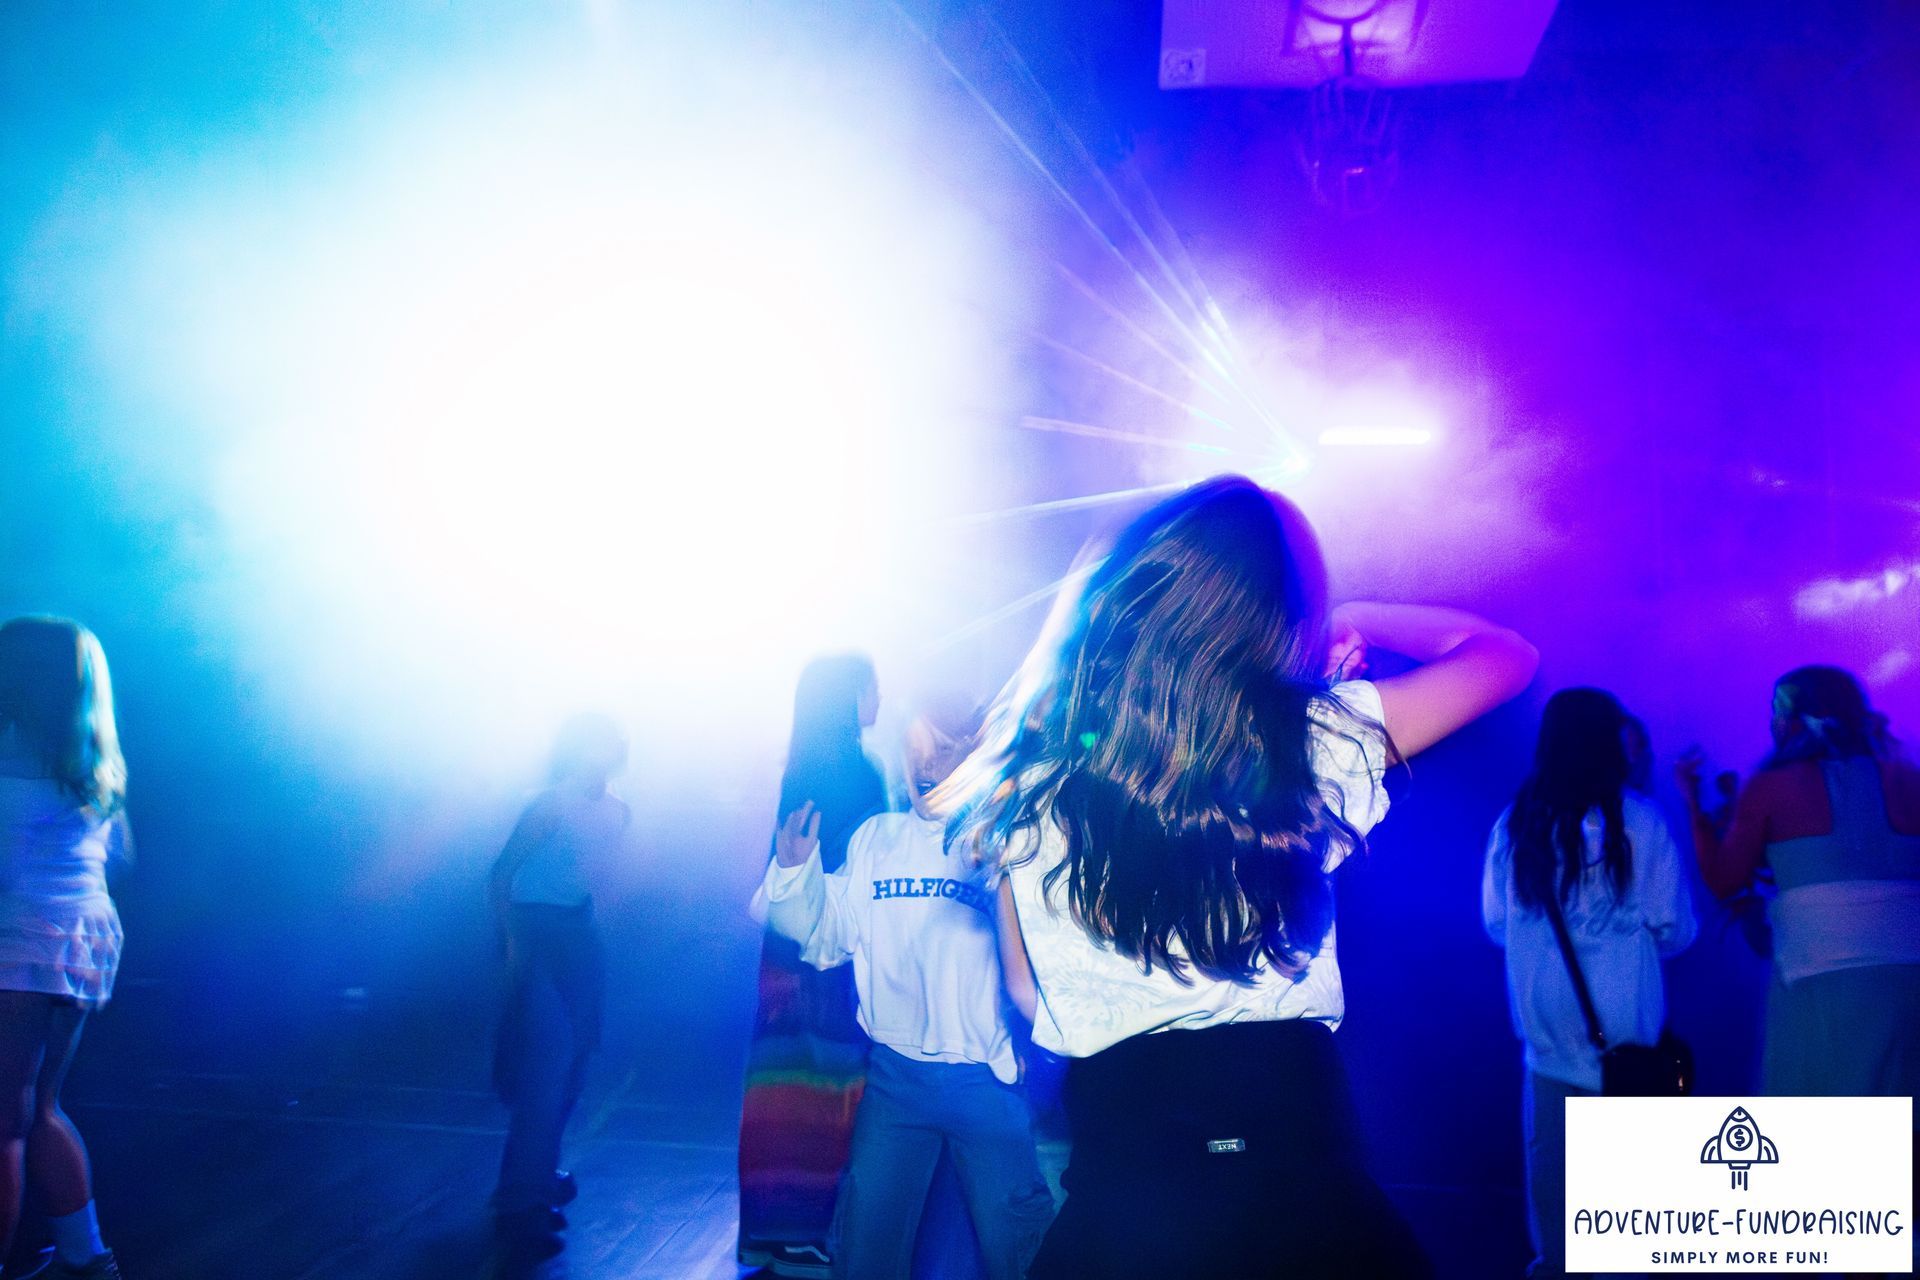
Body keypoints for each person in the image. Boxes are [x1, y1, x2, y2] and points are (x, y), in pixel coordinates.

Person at [945, 475, 1539, 1279]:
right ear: (1275, 615)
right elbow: (1505, 655)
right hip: (1307, 1193)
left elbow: (1028, 992)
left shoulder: (1033, 778)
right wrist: (1354, 617)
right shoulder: (1316, 741)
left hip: (1128, 1203)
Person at [760, 700, 1054, 1280]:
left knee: (1018, 1247)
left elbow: (1048, 955)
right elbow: (825, 938)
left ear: (977, 753)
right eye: (915, 749)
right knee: (867, 1241)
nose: (926, 764)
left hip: (987, 1081)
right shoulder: (877, 838)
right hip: (895, 1082)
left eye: (942, 748)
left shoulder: (1008, 839)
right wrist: (795, 872)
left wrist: (1032, 1042)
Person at [1483, 688, 1697, 1279]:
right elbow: (1677, 930)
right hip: (1629, 1055)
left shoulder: (1514, 825)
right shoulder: (1643, 823)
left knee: (1558, 1238)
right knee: (1631, 1234)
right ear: (1611, 744)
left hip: (1548, 1049)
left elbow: (1497, 925)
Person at [1678, 666, 1920, 1106]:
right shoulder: (1909, 781)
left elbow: (1724, 879)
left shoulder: (1772, 787)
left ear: (1790, 717)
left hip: (1820, 974)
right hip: (1909, 977)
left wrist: (1693, 806)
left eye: (1775, 710)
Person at [739, 655, 887, 1278]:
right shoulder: (859, 771)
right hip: (829, 948)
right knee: (826, 1090)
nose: (880, 697)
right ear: (851, 695)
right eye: (873, 686)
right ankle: (803, 1235)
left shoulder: (801, 765)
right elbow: (867, 868)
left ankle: (766, 1231)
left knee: (778, 1087)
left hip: (783, 948)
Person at [0, 617, 129, 1279]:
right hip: (81, 939)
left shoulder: (8, 761)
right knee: (39, 1109)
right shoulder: (93, 769)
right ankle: (86, 1258)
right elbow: (120, 859)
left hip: (20, 944)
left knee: (3, 1123)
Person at [488, 713, 632, 1259]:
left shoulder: (617, 811)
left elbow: (596, 879)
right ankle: (518, 1203)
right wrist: (511, 946)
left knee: (574, 1064)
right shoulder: (549, 804)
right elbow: (502, 874)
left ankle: (539, 1173)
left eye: (611, 742)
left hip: (577, 935)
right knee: (546, 1068)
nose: (605, 752)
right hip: (535, 933)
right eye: (595, 743)